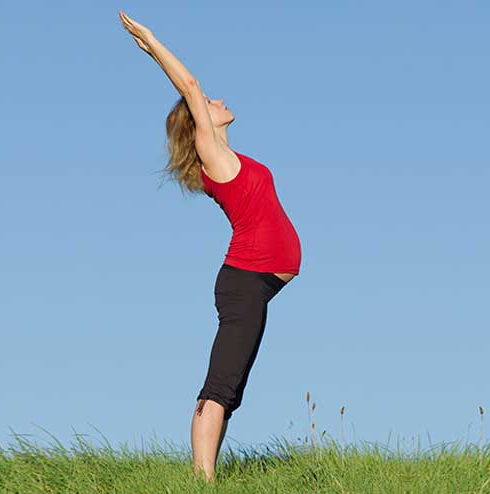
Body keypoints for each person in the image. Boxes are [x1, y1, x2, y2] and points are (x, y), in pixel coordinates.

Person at [119, 11, 302, 482]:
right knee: (219, 388)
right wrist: (153, 42)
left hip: (254, 283)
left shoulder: (228, 156)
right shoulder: (213, 154)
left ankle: (207, 475)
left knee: (231, 388)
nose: (218, 100)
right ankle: (202, 482)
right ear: (197, 122)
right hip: (245, 281)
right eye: (208, 103)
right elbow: (192, 85)